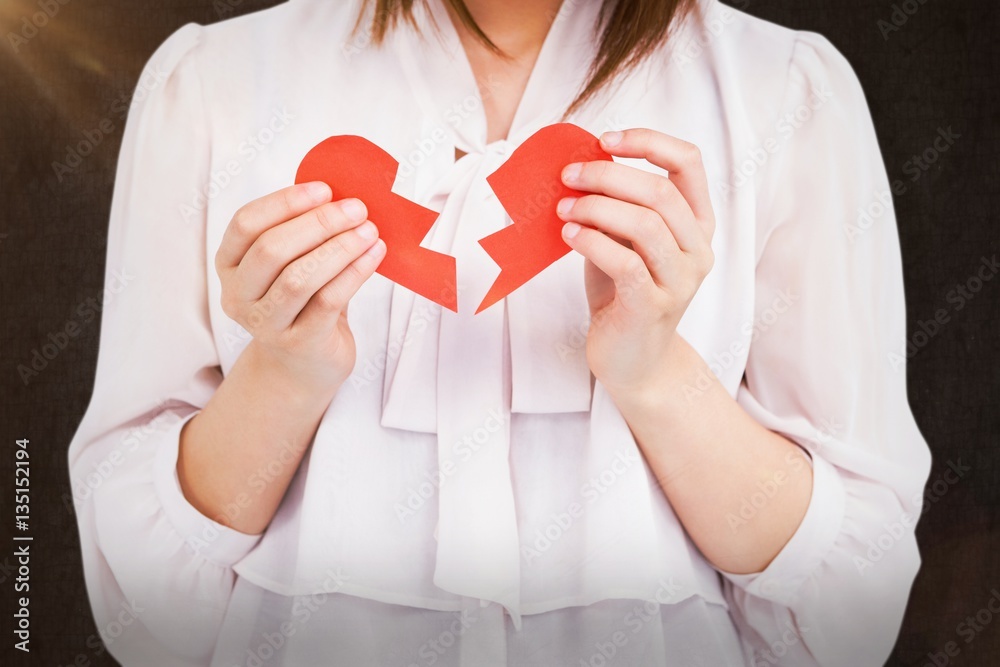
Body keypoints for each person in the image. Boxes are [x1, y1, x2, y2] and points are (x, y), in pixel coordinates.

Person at [68, 0, 931, 664]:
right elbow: (145, 611)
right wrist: (284, 374)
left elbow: (849, 611)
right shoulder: (214, 84)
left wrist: (655, 372)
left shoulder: (783, 93)